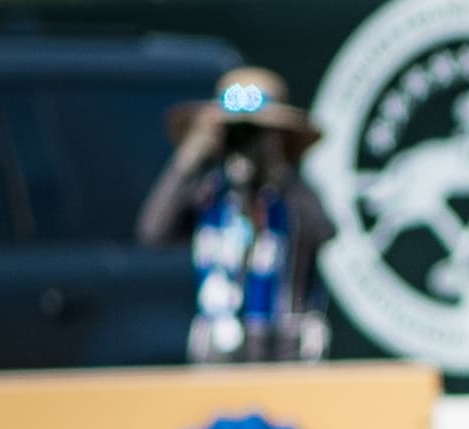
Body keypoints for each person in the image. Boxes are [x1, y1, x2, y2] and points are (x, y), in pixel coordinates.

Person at [137, 66, 333, 364]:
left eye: (254, 132)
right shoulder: (208, 193)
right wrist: (189, 159)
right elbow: (153, 233)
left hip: (285, 347)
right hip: (218, 345)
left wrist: (278, 170)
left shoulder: (291, 195)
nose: (244, 141)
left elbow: (324, 231)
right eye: (235, 131)